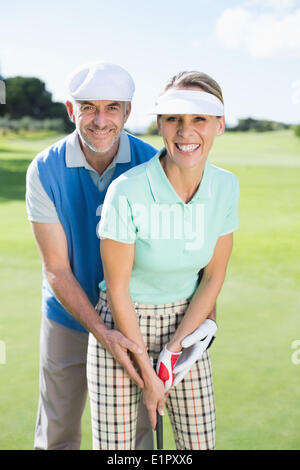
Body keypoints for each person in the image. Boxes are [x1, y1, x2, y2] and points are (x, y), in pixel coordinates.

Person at [87, 71, 240, 450]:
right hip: (122, 330)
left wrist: (173, 352)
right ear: (160, 124)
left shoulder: (226, 186)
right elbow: (118, 288)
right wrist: (149, 375)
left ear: (219, 124)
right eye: (174, 118)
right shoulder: (127, 190)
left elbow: (212, 277)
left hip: (185, 326)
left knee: (199, 446)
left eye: (199, 119)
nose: (186, 132)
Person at [25, 61, 159, 450]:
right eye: (88, 107)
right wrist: (102, 333)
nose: (100, 120)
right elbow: (56, 269)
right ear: (71, 111)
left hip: (134, 319)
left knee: (137, 435)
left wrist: (124, 329)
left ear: (128, 112)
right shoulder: (44, 169)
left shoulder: (152, 165)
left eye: (112, 108)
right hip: (66, 316)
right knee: (57, 431)